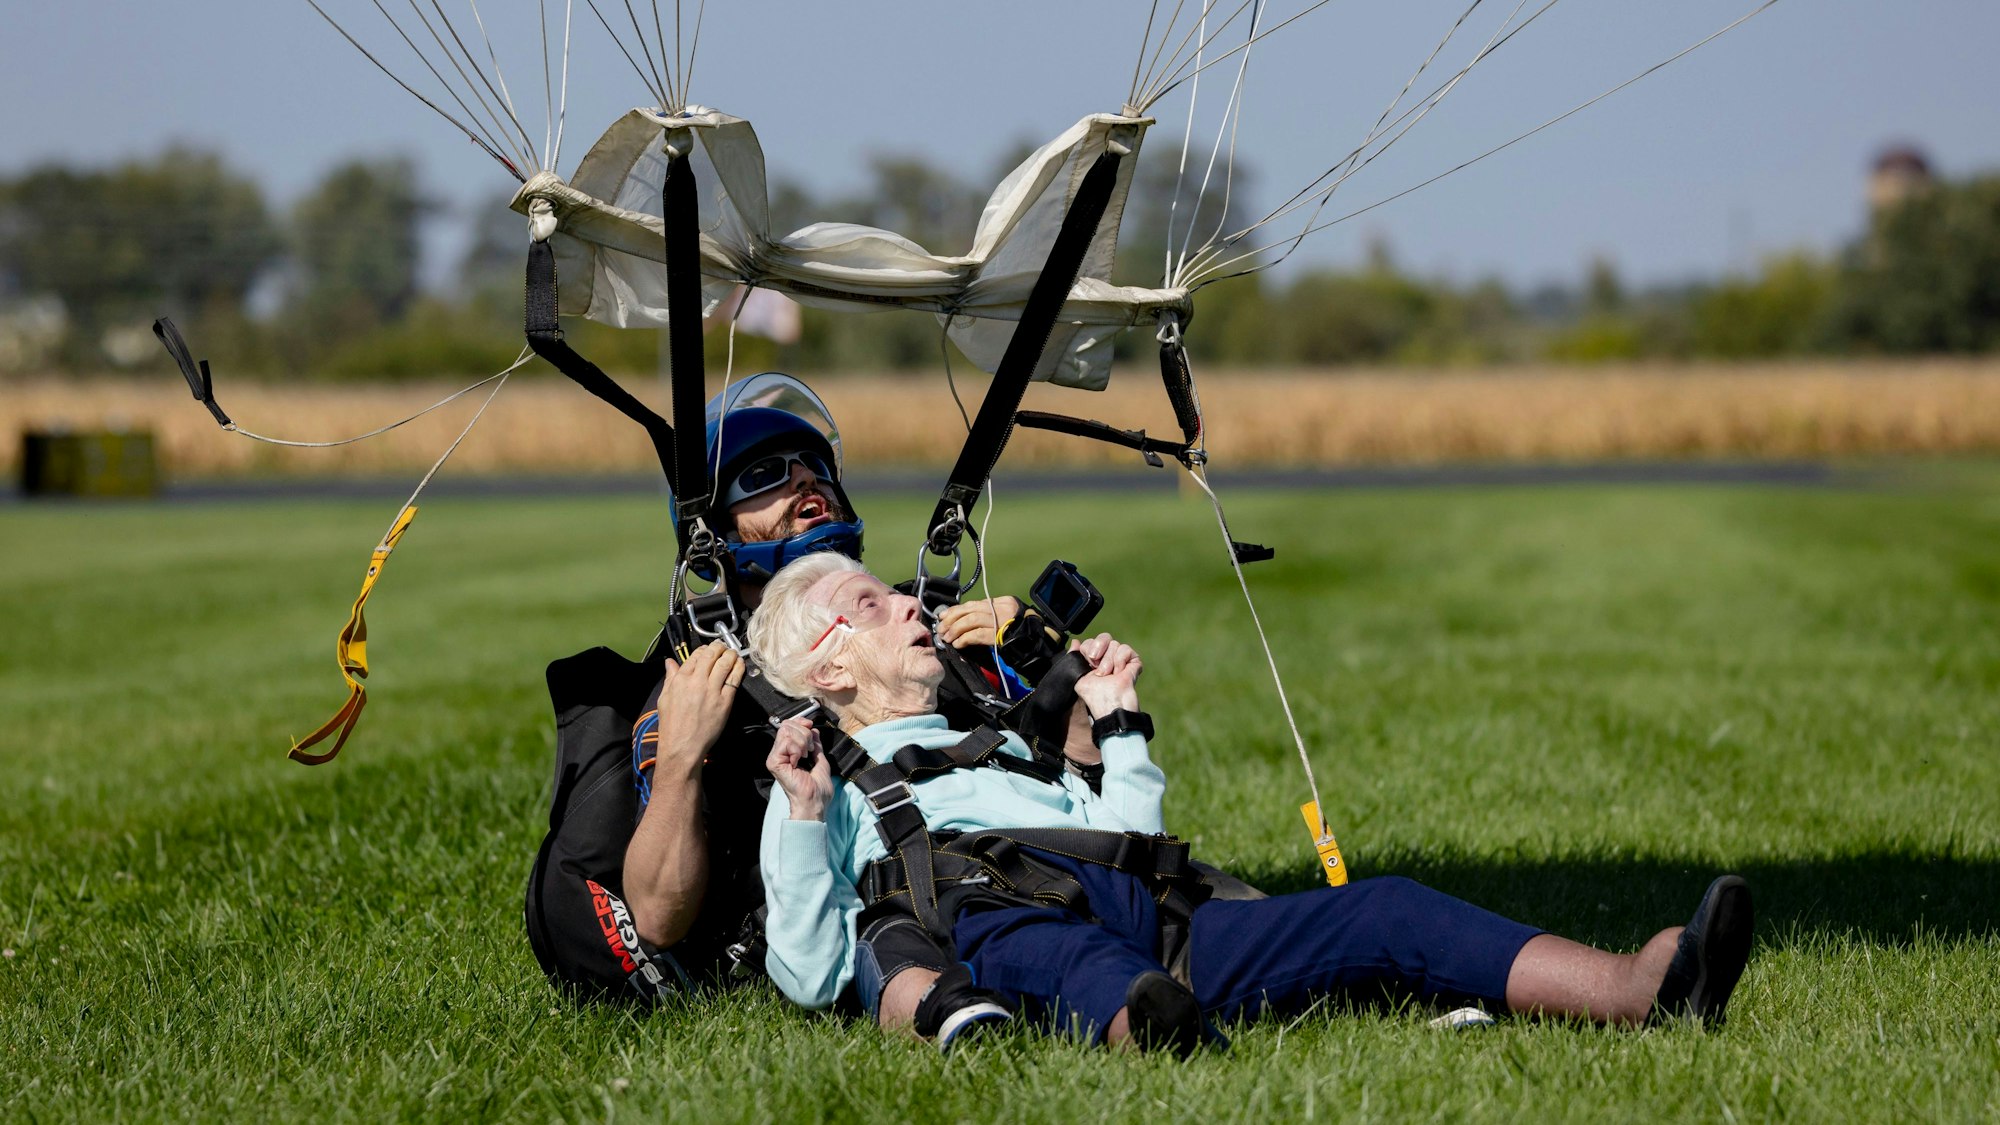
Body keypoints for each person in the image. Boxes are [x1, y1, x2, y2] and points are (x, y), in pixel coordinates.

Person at [748, 552, 1756, 1051]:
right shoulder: (821, 773)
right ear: (824, 667)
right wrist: (800, 814)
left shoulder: (1000, 738)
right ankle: (1163, 1043)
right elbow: (805, 968)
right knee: (1082, 963)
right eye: (871, 605)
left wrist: (1119, 720)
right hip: (1001, 926)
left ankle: (1634, 989)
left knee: (1386, 906)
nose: (910, 607)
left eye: (898, 593)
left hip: (1152, 919)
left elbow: (1131, 842)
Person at [616, 375, 1085, 1046]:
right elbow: (658, 917)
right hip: (881, 923)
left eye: (817, 471)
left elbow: (1086, 785)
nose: (806, 482)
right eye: (766, 475)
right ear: (713, 532)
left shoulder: (920, 627)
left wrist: (1037, 658)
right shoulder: (701, 678)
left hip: (1023, 877)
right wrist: (681, 762)